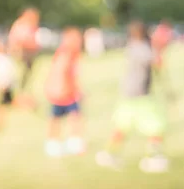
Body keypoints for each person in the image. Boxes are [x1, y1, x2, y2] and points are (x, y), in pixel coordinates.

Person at [95, 21, 169, 173]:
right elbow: (157, 63)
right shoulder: (142, 48)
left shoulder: (133, 46)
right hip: (140, 95)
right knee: (155, 126)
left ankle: (109, 153)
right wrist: (160, 46)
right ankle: (154, 157)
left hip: (128, 94)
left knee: (122, 127)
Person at [44, 27, 84, 158]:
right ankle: (55, 144)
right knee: (62, 118)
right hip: (63, 93)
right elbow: (62, 73)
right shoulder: (66, 54)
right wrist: (72, 89)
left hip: (64, 92)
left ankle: (71, 143)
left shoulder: (71, 54)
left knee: (73, 116)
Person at [8, 8, 40, 92]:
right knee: (19, 73)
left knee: (27, 74)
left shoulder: (32, 25)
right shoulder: (21, 24)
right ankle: (17, 91)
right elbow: (20, 40)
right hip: (21, 52)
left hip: (29, 53)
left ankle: (23, 90)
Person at [0, 40, 17, 132]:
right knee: (3, 105)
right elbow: (0, 74)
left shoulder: (1, 58)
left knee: (5, 104)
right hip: (4, 85)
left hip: (6, 84)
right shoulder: (0, 59)